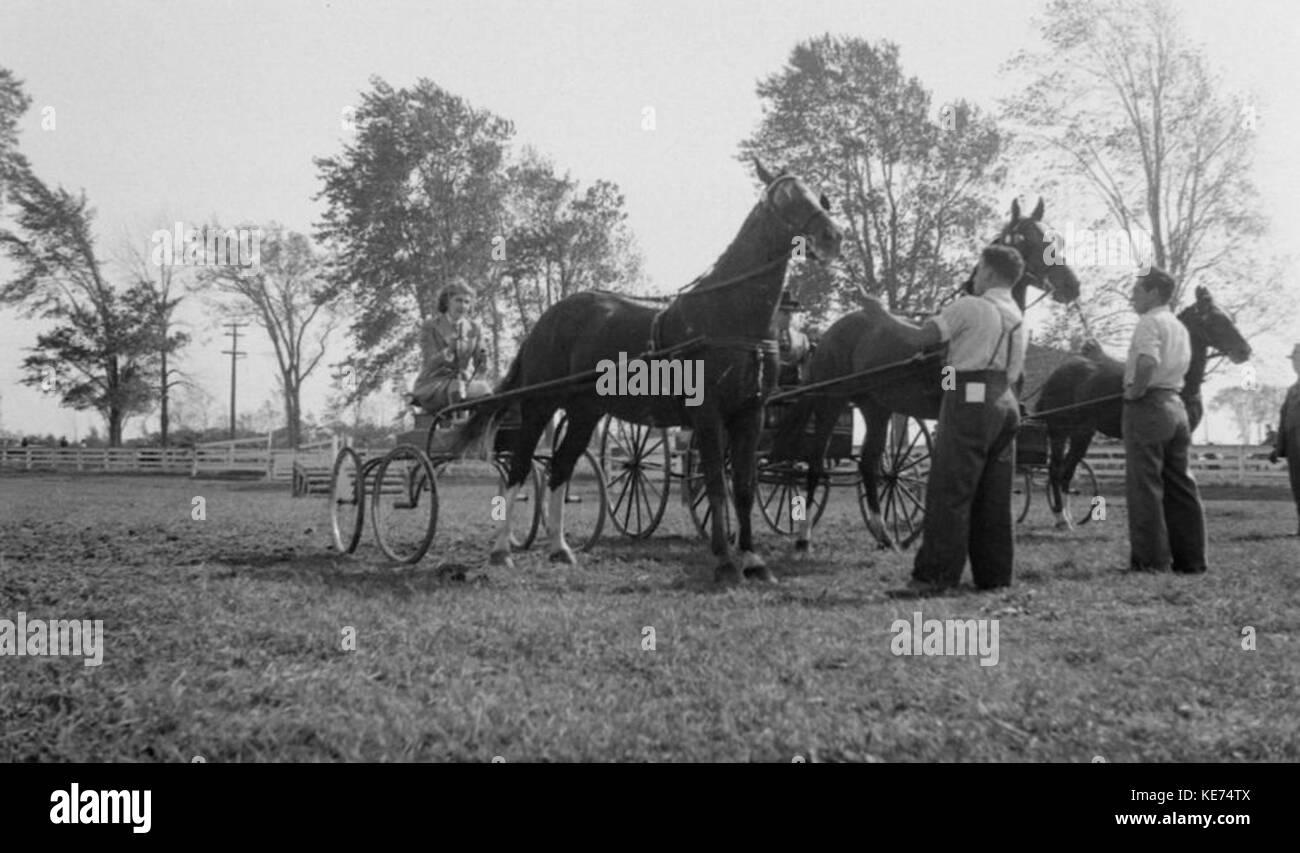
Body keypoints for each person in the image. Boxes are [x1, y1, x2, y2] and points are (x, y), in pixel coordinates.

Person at [893, 244, 1027, 596]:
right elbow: (1012, 372)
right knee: (994, 496)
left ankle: (934, 576)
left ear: (989, 272)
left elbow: (918, 337)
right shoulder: (1018, 316)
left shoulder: (971, 306)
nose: (975, 275)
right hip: (1006, 400)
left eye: (978, 268)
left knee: (949, 489)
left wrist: (878, 315)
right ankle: (995, 576)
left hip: (970, 397)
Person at [1121, 268, 1207, 573]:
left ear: (1154, 293)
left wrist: (1135, 391)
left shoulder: (1149, 321)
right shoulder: (1179, 326)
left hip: (1149, 407)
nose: (1132, 297)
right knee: (1182, 485)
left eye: (1137, 291)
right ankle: (1192, 560)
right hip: (1177, 406)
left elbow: (1147, 361)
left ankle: (1151, 561)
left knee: (1145, 485)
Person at [411, 282, 491, 415]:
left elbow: (481, 367)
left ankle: (480, 430)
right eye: (458, 300)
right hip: (433, 383)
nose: (463, 306)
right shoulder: (430, 326)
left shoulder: (474, 328)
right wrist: (447, 352)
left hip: (464, 382)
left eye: (467, 302)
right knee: (457, 388)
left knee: (485, 391)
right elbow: (429, 362)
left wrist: (483, 359)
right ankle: (457, 426)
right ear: (447, 302)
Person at [1268, 343, 1300, 536]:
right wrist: (1278, 448)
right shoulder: (1292, 391)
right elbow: (1284, 422)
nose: (1296, 364)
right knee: (1297, 486)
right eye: (1295, 360)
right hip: (1295, 448)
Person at [776, 290, 809, 386]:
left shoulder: (802, 339)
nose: (790, 317)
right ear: (775, 313)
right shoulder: (764, 338)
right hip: (768, 391)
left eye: (792, 313)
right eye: (785, 313)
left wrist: (803, 384)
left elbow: (806, 367)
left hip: (793, 390)